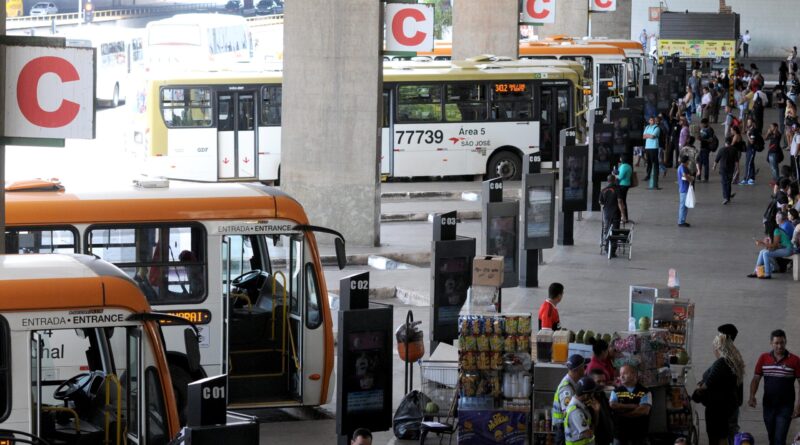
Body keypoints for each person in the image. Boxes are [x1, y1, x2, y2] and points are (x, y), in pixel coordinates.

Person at [748, 329, 800, 445]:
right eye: (776, 343)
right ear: (771, 343)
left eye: (782, 342)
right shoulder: (763, 358)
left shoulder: (795, 360)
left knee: (779, 439)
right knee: (772, 437)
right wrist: (752, 396)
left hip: (785, 407)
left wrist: (798, 404)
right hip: (768, 406)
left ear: (785, 342)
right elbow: (756, 378)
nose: (779, 346)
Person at [693, 334, 745, 445]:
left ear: (718, 347)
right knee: (725, 437)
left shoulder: (721, 363)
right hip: (728, 407)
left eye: (714, 346)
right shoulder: (734, 363)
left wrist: (699, 387)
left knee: (717, 438)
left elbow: (709, 383)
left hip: (717, 409)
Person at [609, 365, 652, 445]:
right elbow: (613, 405)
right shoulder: (615, 392)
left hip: (640, 434)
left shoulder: (645, 392)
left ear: (634, 374)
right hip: (620, 434)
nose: (621, 376)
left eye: (625, 373)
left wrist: (622, 413)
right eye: (620, 374)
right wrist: (633, 406)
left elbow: (644, 410)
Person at [748, 212, 794, 279]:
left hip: (788, 249)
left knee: (766, 253)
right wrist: (763, 243)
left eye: (765, 226)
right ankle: (756, 272)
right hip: (783, 248)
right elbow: (774, 246)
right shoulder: (774, 231)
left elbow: (774, 245)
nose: (764, 228)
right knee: (762, 252)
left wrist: (762, 244)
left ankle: (767, 274)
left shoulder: (776, 231)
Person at [553, 355, 587, 445]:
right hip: (562, 428)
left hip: (564, 427)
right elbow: (568, 411)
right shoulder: (566, 389)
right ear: (577, 370)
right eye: (584, 367)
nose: (585, 370)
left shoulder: (573, 383)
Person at [564, 376, 599, 445]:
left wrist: (596, 412)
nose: (593, 396)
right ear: (586, 395)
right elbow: (589, 434)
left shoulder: (581, 406)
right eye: (592, 393)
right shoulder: (576, 412)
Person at [599, 175, 624, 258]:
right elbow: (620, 201)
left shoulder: (603, 190)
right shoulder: (617, 189)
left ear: (608, 181)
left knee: (607, 230)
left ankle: (607, 248)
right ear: (614, 180)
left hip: (606, 214)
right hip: (615, 213)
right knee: (615, 231)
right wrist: (623, 215)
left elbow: (600, 202)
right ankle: (612, 251)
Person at [588, 369, 614, 445]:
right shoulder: (589, 399)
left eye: (604, 381)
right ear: (591, 382)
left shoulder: (602, 395)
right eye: (598, 381)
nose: (602, 384)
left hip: (606, 438)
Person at [714, 136, 739, 204]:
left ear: (725, 142)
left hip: (723, 169)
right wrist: (737, 169)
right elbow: (736, 161)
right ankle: (728, 196)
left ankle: (726, 197)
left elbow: (716, 160)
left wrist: (714, 167)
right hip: (731, 169)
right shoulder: (734, 150)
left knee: (724, 183)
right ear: (731, 142)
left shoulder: (721, 150)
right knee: (728, 183)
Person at [741, 117, 761, 185]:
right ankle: (751, 178)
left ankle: (746, 179)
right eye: (747, 122)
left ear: (752, 123)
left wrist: (747, 135)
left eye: (749, 122)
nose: (748, 123)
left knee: (748, 164)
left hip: (751, 149)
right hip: (749, 149)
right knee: (751, 163)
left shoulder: (753, 131)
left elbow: (752, 141)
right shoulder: (751, 130)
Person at [643, 116, 661, 187]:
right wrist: (649, 135)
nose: (652, 121)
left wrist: (648, 135)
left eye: (653, 120)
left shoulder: (657, 128)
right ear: (649, 121)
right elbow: (643, 136)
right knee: (649, 162)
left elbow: (653, 136)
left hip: (654, 147)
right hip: (647, 147)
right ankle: (648, 175)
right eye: (650, 120)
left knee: (654, 162)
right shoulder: (647, 127)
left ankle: (656, 175)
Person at [677, 155, 694, 227]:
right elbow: (684, 175)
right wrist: (690, 179)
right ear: (686, 161)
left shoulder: (680, 167)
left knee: (684, 206)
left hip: (683, 188)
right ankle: (681, 221)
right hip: (684, 189)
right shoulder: (682, 167)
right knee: (683, 206)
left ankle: (682, 220)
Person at [616, 155, 632, 223]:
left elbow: (620, 177)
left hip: (622, 185)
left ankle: (623, 217)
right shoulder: (629, 166)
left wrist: (614, 175)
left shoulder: (624, 166)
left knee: (621, 201)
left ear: (622, 159)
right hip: (627, 184)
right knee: (623, 201)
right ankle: (625, 217)